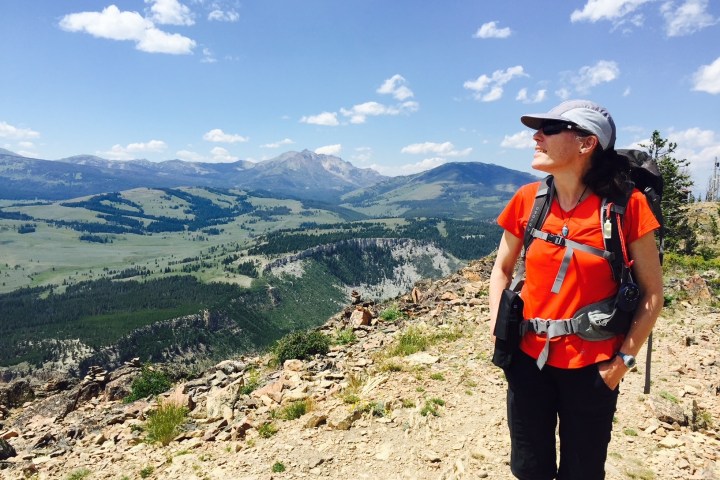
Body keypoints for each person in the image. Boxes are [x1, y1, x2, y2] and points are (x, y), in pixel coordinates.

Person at [488, 100, 663, 480]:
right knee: (529, 469)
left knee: (582, 473)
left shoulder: (627, 208)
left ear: (586, 144)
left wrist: (622, 365)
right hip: (527, 361)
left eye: (550, 130)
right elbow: (501, 270)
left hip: (593, 369)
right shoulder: (527, 200)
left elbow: (652, 293)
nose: (537, 136)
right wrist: (497, 328)